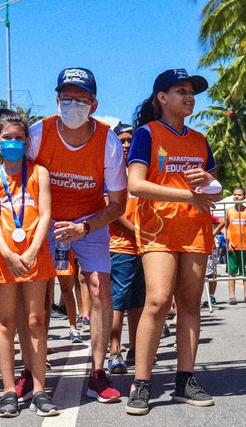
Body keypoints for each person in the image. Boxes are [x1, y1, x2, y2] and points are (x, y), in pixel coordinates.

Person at [28, 68, 127, 403]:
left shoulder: (107, 140)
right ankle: (30, 372)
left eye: (80, 99)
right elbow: (18, 183)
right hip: (43, 219)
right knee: (36, 295)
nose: (72, 104)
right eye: (65, 97)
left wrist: (83, 228)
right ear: (56, 100)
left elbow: (117, 205)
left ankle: (98, 372)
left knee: (100, 289)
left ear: (94, 104)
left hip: (89, 220)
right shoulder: (38, 133)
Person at [125, 68, 221, 415]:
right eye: (181, 90)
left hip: (195, 230)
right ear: (161, 99)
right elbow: (135, 185)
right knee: (158, 301)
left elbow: (214, 191)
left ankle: (185, 380)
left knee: (190, 305)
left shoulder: (200, 139)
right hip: (157, 231)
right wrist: (186, 195)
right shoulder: (146, 134)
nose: (189, 96)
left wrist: (210, 182)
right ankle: (141, 383)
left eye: (192, 91)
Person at [0, 109, 58, 417]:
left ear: (27, 141)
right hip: (3, 260)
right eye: (7, 138)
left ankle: (39, 389)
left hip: (34, 258)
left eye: (19, 138)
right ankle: (8, 391)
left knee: (36, 321)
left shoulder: (39, 172)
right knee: (6, 322)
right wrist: (10, 255)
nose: (13, 142)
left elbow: (46, 214)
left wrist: (31, 251)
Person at [107, 122, 144, 375]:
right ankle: (114, 351)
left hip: (145, 247)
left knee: (138, 302)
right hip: (121, 247)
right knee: (117, 302)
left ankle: (135, 349)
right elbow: (112, 209)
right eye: (121, 140)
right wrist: (137, 231)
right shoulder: (112, 171)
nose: (127, 144)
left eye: (130, 139)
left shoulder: (141, 171)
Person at [213, 186, 246, 304]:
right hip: (233, 247)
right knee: (232, 272)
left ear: (244, 197)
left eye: (239, 195)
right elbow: (225, 228)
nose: (236, 197)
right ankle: (232, 296)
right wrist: (228, 241)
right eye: (235, 194)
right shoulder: (229, 211)